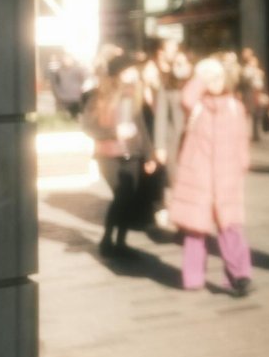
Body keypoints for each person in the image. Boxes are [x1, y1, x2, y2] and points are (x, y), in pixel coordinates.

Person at [170, 58, 253, 296]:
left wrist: (242, 163)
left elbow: (241, 138)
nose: (214, 82)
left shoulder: (234, 106)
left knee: (230, 226)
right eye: (209, 78)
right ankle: (193, 278)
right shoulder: (197, 105)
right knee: (196, 229)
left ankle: (240, 275)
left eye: (217, 77)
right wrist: (200, 79)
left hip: (227, 175)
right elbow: (186, 98)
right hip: (200, 174)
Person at [82, 53, 157, 259]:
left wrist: (149, 155)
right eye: (131, 69)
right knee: (121, 196)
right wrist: (114, 133)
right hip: (108, 154)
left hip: (132, 153)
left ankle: (121, 242)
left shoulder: (135, 93)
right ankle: (107, 240)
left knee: (128, 198)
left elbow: (140, 126)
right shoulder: (99, 95)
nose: (135, 73)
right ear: (120, 72)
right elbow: (88, 126)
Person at [149, 40, 191, 230]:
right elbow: (161, 118)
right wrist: (160, 146)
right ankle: (182, 223)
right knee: (177, 183)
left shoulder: (198, 85)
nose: (180, 67)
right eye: (177, 63)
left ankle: (193, 222)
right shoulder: (166, 85)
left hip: (197, 143)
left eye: (183, 63)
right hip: (174, 143)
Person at [239, 48, 269, 142]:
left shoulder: (260, 72)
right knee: (250, 115)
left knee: (257, 114)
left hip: (258, 93)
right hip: (249, 94)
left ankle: (256, 134)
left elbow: (263, 84)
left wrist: (265, 94)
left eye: (255, 62)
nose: (254, 64)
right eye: (252, 62)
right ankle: (248, 135)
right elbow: (243, 84)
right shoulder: (245, 71)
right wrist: (251, 76)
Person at [50, 53, 87, 119]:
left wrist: (78, 90)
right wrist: (57, 94)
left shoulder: (78, 70)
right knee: (61, 118)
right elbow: (55, 83)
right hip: (62, 99)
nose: (66, 61)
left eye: (68, 59)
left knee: (75, 117)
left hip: (75, 98)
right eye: (65, 59)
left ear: (72, 60)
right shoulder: (58, 71)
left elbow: (83, 79)